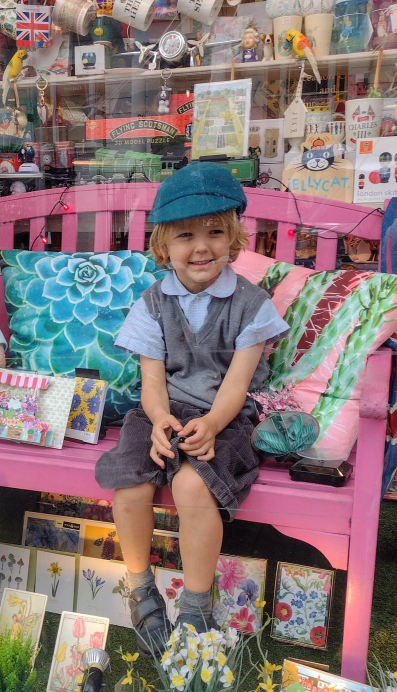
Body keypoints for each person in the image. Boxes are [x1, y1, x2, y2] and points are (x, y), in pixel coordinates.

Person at [94, 163, 289, 656]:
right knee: (132, 480)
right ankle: (140, 588)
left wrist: (214, 424)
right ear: (163, 247)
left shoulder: (251, 304)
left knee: (189, 482)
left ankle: (198, 606)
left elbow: (238, 385)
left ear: (234, 238)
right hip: (163, 410)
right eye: (185, 235)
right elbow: (152, 382)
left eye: (215, 232)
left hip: (226, 416)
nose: (201, 247)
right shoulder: (153, 302)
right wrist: (159, 419)